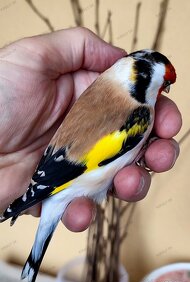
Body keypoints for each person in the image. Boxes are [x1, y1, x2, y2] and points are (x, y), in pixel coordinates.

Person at [0, 27, 182, 232]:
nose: (166, 88)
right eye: (166, 82)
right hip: (65, 181)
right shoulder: (140, 115)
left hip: (53, 173)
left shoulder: (103, 83)